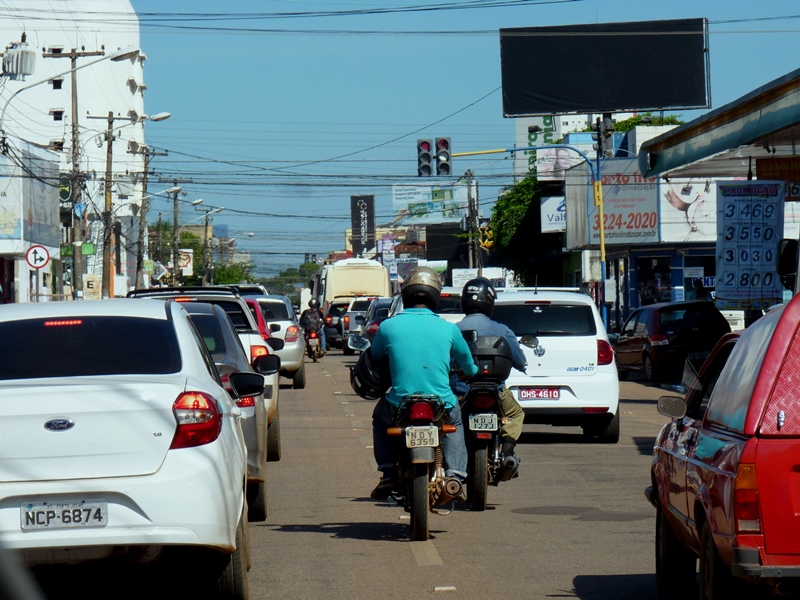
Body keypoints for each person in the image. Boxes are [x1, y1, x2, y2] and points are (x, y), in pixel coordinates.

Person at [369, 266, 478, 501]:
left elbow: (375, 359)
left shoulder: (388, 327)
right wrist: (471, 372)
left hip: (398, 403)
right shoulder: (449, 328)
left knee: (379, 418)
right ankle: (456, 476)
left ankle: (388, 473)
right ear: (435, 297)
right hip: (443, 404)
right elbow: (469, 367)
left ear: (406, 295)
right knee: (456, 423)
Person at [450, 277, 527, 475]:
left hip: (459, 393)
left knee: (448, 424)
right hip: (496, 391)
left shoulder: (453, 330)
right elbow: (519, 360)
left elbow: (444, 361)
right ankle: (508, 450)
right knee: (516, 413)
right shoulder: (502, 330)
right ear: (490, 302)